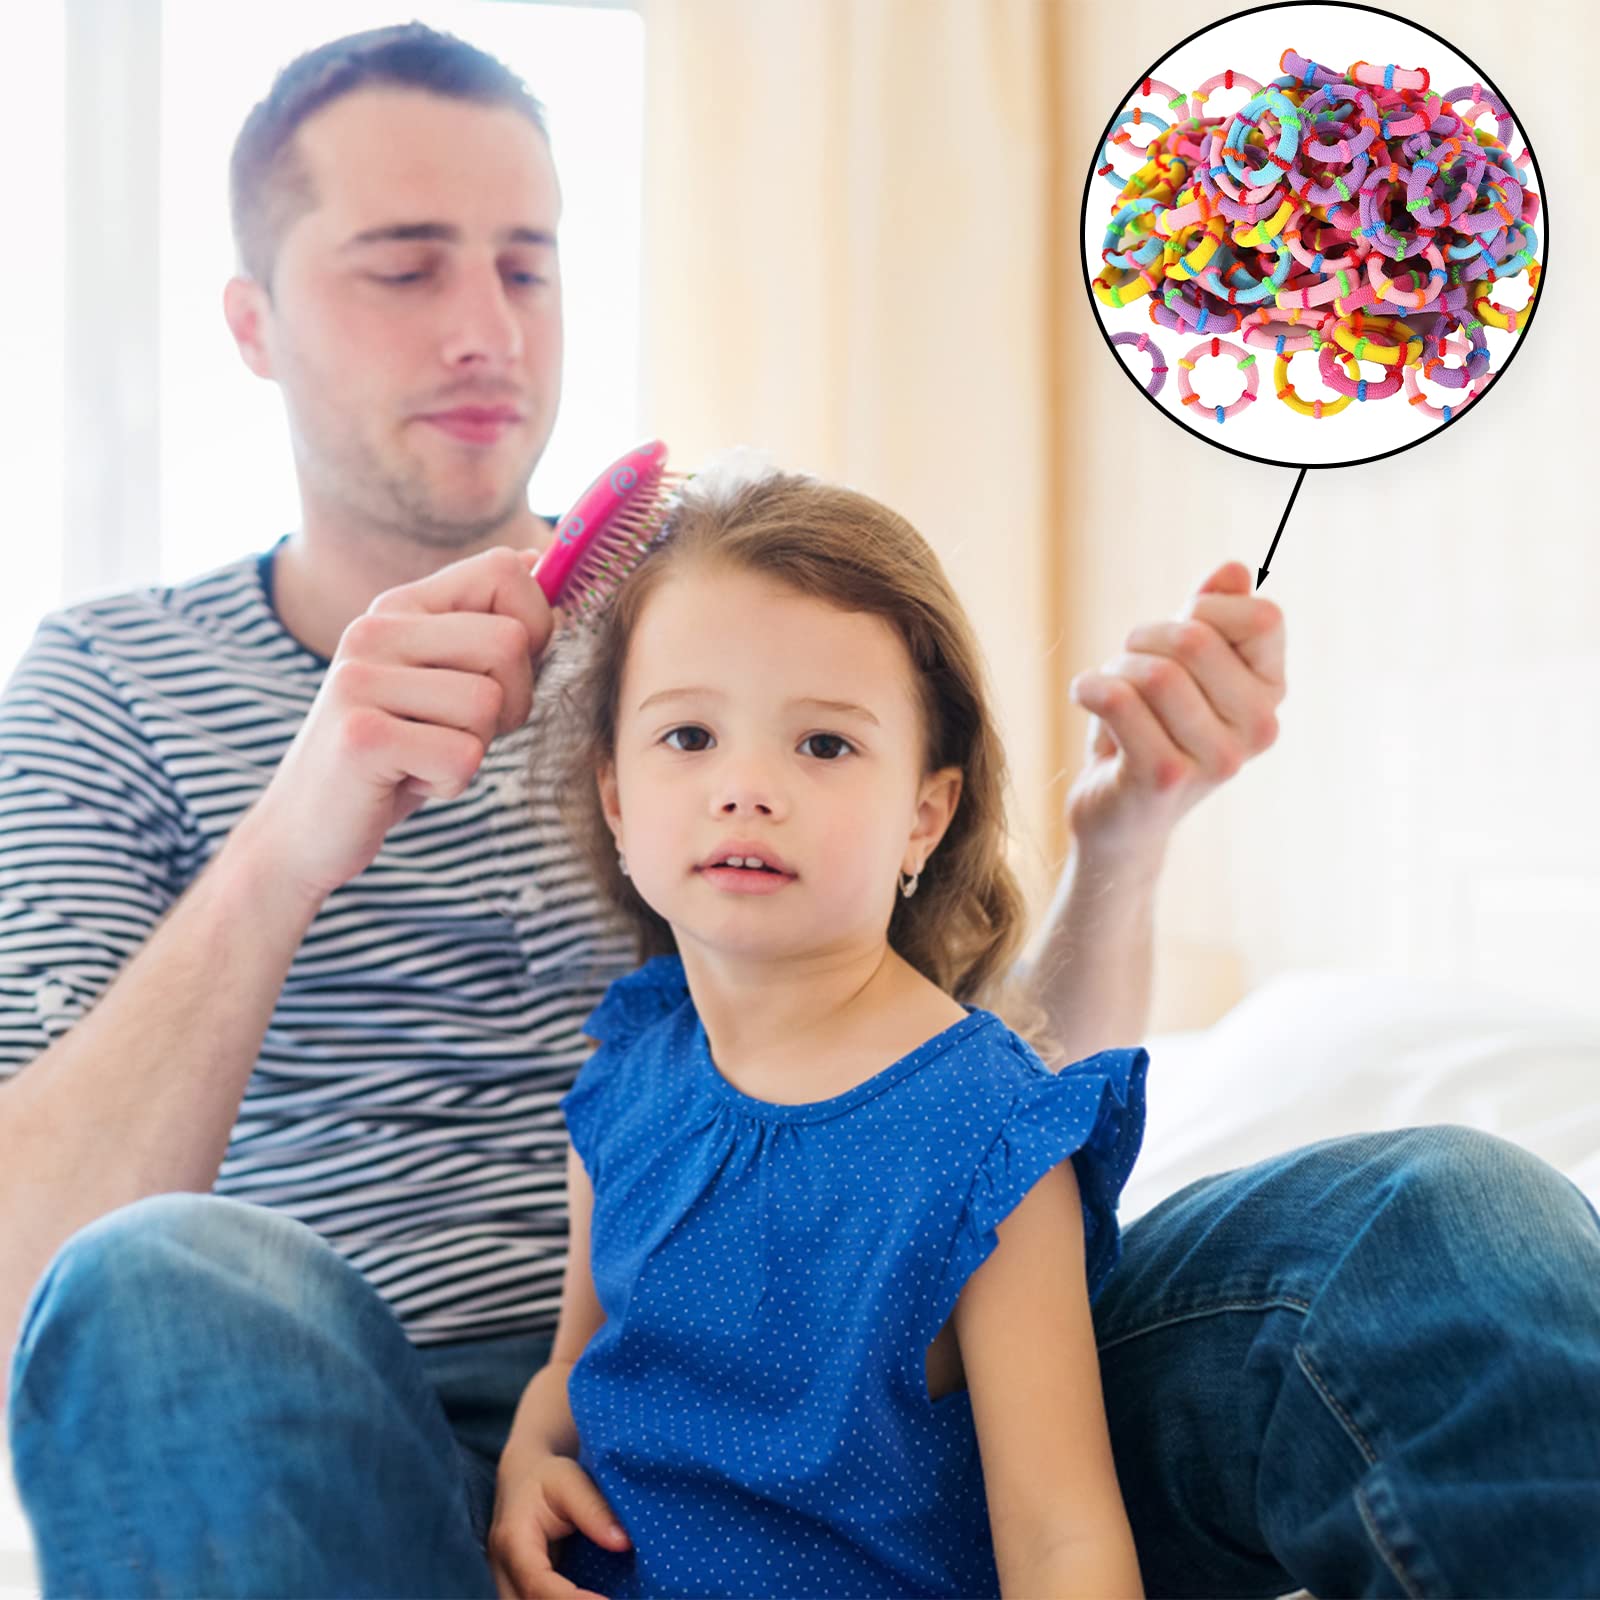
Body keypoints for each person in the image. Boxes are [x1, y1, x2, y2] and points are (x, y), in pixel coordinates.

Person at [0, 19, 1592, 1600]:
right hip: (361, 1447)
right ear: (252, 321)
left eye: (529, 264)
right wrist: (290, 840)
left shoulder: (707, 634)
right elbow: (32, 1282)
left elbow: (959, 1134)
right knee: (152, 1280)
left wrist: (1122, 845)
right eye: (404, 267)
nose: (485, 327)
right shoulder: (107, 687)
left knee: (1438, 1223)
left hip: (886, 1431)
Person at [494, 458, 1151, 1599]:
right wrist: (525, 1459)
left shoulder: (989, 1136)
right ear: (615, 797)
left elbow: (1062, 1539)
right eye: (689, 737)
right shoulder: (627, 1075)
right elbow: (574, 1370)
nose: (745, 786)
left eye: (824, 745)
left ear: (924, 815)